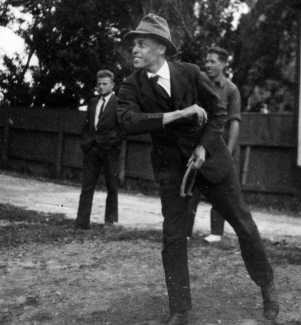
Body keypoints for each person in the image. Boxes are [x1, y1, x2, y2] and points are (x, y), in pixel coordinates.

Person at [118, 14, 279, 325]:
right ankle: (180, 310)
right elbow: (127, 121)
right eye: (133, 45)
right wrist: (179, 113)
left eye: (141, 44)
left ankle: (267, 286)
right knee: (173, 238)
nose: (134, 50)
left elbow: (218, 113)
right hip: (172, 172)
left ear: (161, 48)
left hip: (213, 162)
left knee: (244, 225)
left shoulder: (190, 73)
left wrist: (204, 147)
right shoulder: (131, 85)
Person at [186, 47, 241, 243]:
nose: (207, 65)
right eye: (206, 61)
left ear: (223, 64)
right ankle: (185, 232)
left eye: (212, 61)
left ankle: (216, 233)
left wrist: (229, 151)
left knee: (219, 191)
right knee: (191, 189)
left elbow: (234, 122)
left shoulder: (231, 90)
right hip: (199, 145)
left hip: (218, 149)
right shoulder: (201, 85)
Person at [75, 70, 125, 229]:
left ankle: (109, 221)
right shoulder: (92, 102)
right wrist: (86, 142)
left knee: (112, 185)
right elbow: (86, 125)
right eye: (99, 84)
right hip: (92, 149)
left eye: (105, 84)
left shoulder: (119, 103)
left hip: (110, 150)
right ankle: (82, 223)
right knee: (87, 186)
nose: (101, 87)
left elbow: (124, 128)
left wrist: (114, 143)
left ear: (112, 85)